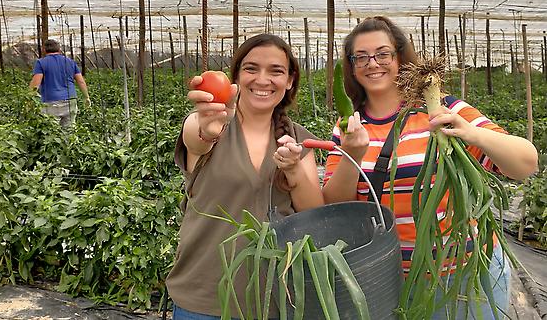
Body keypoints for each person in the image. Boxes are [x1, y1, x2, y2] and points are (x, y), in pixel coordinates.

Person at [322, 16, 538, 319]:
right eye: (361, 57)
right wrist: (352, 154)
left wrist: (471, 133)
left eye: (383, 54)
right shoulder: (349, 126)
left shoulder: (442, 109)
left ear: (400, 57)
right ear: (351, 66)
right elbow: (335, 206)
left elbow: (526, 164)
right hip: (389, 276)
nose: (373, 63)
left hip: (463, 271)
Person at [166, 33, 324, 319]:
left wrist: (293, 170)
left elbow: (314, 213)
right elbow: (196, 138)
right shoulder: (210, 124)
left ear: (289, 81)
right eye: (251, 69)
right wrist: (206, 129)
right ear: (236, 76)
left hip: (276, 301)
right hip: (204, 298)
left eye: (276, 71)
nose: (262, 80)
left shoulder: (300, 140)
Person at [29, 39, 90, 127]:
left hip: (51, 102)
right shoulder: (70, 62)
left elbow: (35, 85)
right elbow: (81, 81)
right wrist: (86, 97)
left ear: (44, 50)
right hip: (71, 101)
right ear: (59, 49)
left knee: (51, 133)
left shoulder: (41, 63)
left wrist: (29, 100)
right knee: (69, 132)